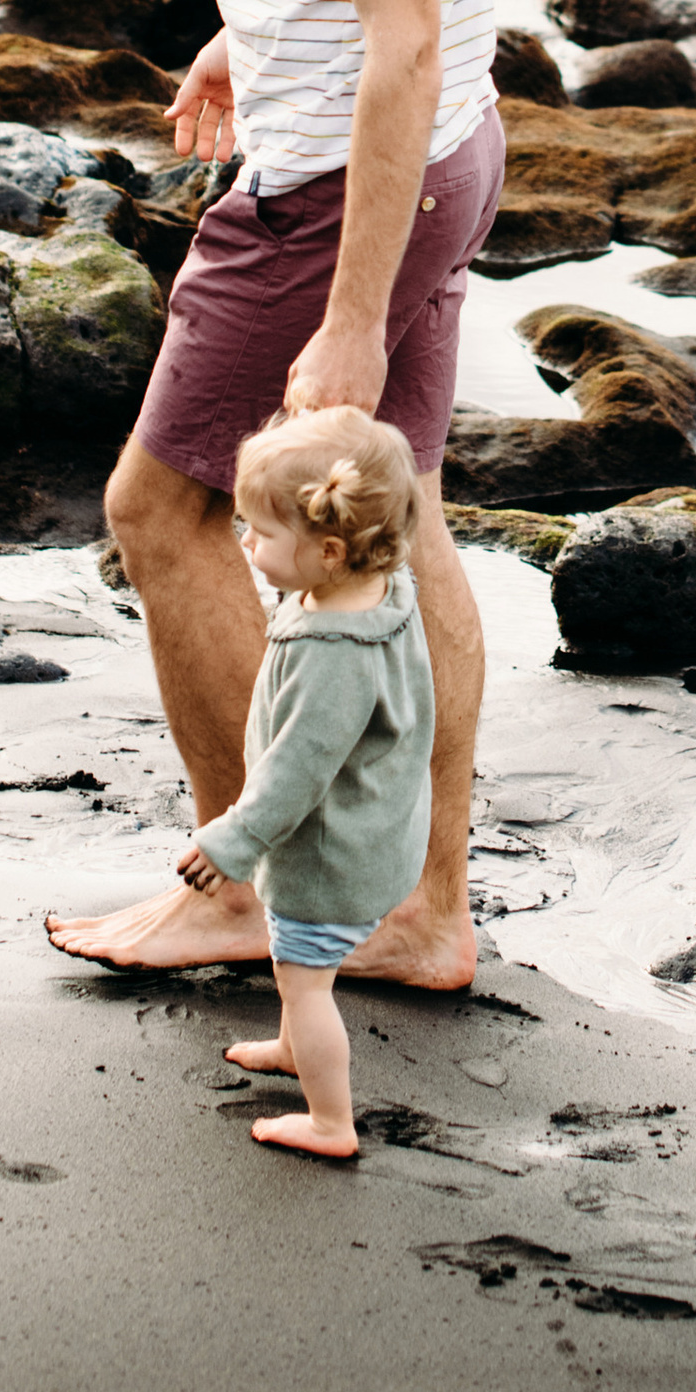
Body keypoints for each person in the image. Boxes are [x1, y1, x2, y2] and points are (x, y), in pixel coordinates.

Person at [42, 0, 502, 990]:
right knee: (405, 518)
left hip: (341, 189)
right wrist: (257, 26)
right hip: (441, 151)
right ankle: (424, 914)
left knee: (162, 512)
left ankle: (245, 890)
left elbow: (403, 38)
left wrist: (352, 316)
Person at [178, 409, 435, 1162]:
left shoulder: (333, 657)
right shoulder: (382, 586)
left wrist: (229, 841)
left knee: (305, 982)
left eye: (259, 532)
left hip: (329, 857)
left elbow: (296, 771)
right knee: (296, 967)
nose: (244, 542)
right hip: (375, 829)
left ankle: (330, 1121)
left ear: (328, 551)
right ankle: (293, 1050)